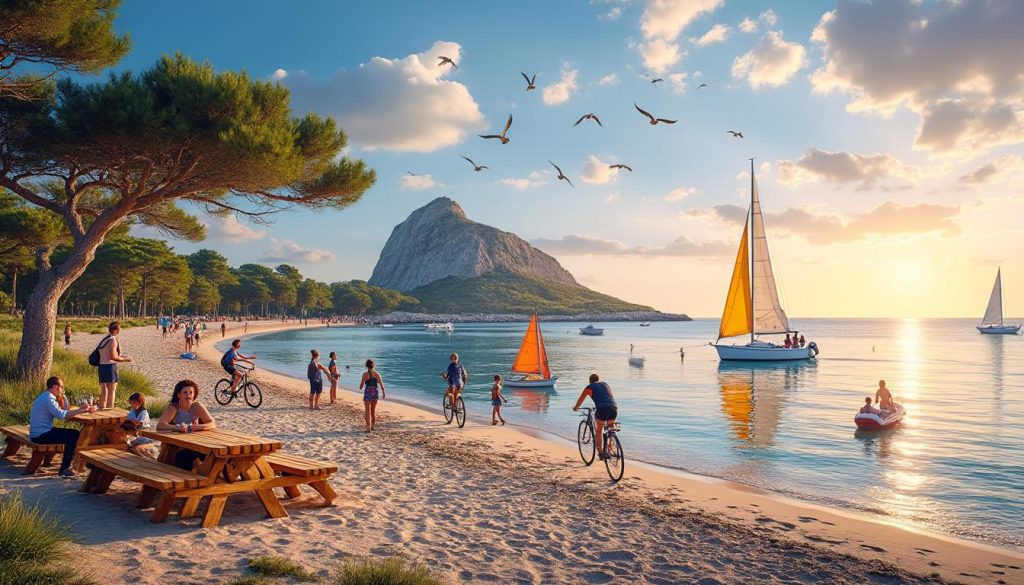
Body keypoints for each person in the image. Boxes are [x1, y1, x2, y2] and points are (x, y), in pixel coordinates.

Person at [29, 376, 96, 477]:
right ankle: (65, 468)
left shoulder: (46, 396)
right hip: (40, 435)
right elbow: (61, 415)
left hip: (39, 432)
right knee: (74, 435)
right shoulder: (48, 398)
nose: (62, 389)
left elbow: (65, 408)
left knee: (73, 434)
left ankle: (69, 465)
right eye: (62, 387)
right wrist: (81, 410)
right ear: (55, 386)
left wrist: (63, 396)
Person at [157, 380, 215, 471]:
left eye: (191, 393)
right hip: (176, 448)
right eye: (185, 393)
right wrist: (177, 427)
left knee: (210, 453)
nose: (188, 395)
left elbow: (212, 423)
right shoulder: (174, 407)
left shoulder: (197, 406)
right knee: (184, 457)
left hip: (194, 444)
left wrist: (199, 427)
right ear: (179, 395)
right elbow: (160, 425)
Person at [572, 373, 618, 460]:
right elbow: (608, 396)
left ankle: (601, 452)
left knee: (599, 430)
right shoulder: (605, 384)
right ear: (598, 379)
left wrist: (576, 407)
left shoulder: (589, 387)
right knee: (610, 429)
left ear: (590, 381)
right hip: (613, 408)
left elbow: (580, 400)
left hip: (602, 409)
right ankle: (610, 447)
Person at [97, 321, 131, 410]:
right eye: (120, 328)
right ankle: (109, 410)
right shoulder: (112, 340)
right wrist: (126, 359)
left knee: (103, 390)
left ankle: (101, 409)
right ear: (116, 330)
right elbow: (113, 357)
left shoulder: (105, 339)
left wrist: (122, 356)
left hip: (101, 366)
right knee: (111, 390)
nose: (121, 330)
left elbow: (106, 354)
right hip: (110, 367)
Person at [123, 392, 157, 458]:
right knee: (127, 447)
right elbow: (128, 419)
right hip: (136, 435)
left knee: (135, 449)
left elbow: (140, 423)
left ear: (139, 403)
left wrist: (130, 421)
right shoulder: (133, 410)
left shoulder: (144, 412)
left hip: (145, 436)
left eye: (132, 403)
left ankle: (149, 459)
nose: (131, 405)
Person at [359, 359, 385, 432]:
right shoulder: (377, 374)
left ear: (366, 365)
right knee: (373, 411)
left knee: (367, 411)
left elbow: (361, 386)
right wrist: (383, 393)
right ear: (374, 365)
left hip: (368, 392)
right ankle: (373, 426)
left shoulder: (365, 374)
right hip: (375, 392)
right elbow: (382, 385)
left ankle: (368, 428)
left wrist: (361, 385)